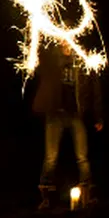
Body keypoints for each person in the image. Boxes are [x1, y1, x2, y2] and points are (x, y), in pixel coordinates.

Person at [33, 42, 104, 209]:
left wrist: (98, 116)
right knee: (50, 158)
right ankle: (46, 197)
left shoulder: (82, 59)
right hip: (55, 114)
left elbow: (95, 88)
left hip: (75, 114)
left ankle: (87, 195)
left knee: (82, 157)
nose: (66, 42)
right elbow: (39, 70)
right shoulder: (51, 59)